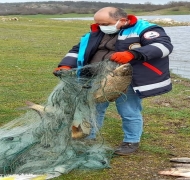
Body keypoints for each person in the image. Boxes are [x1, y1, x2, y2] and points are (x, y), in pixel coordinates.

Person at [53, 7, 173, 155]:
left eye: (104, 23)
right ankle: (88, 137)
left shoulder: (145, 29)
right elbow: (78, 50)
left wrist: (133, 54)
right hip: (95, 78)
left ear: (122, 20)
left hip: (125, 79)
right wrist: (65, 65)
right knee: (93, 109)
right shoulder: (96, 32)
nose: (101, 27)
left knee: (129, 111)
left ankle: (131, 141)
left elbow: (164, 46)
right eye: (98, 24)